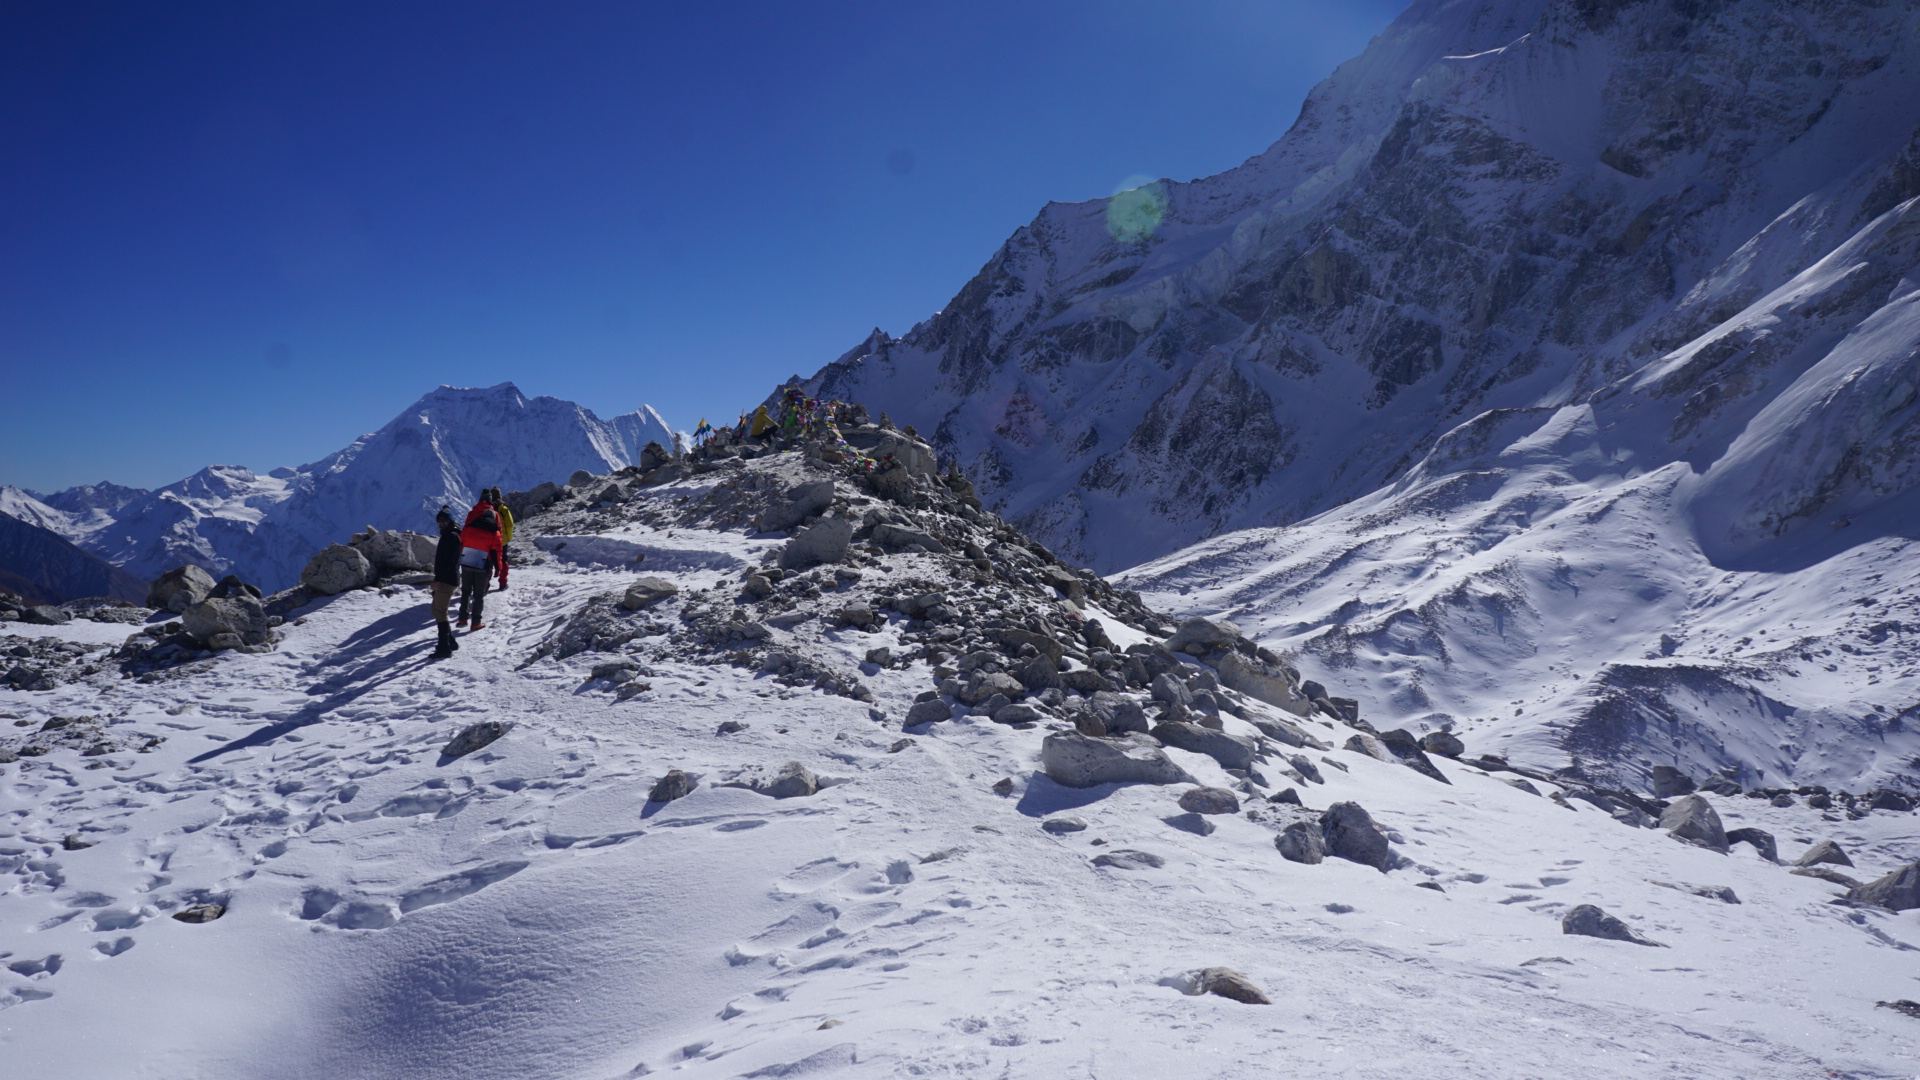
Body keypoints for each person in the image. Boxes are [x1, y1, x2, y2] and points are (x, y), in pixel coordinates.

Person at [457, 493, 504, 630]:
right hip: (482, 565)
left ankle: (462, 618)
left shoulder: (469, 527)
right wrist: (498, 569)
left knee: (466, 591)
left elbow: (461, 543)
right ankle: (476, 622)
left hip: (466, 562)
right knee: (478, 595)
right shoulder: (494, 532)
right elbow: (496, 553)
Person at [429, 506, 462, 659]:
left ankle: (444, 648)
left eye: (445, 521)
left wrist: (438, 580)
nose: (441, 523)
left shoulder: (451, 537)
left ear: (450, 521)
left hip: (447, 580)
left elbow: (449, 562)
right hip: (448, 579)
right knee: (436, 610)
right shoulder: (450, 535)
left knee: (440, 611)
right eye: (440, 521)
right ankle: (450, 642)